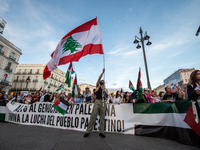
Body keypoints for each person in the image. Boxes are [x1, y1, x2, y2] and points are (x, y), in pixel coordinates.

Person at [84, 69, 108, 138]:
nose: (101, 81)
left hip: (103, 102)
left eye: (102, 81)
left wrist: (105, 92)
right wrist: (102, 73)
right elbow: (98, 79)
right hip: (97, 101)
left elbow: (106, 96)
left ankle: (101, 132)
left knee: (102, 117)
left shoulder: (105, 88)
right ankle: (88, 131)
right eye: (101, 81)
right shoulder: (97, 87)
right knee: (93, 116)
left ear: (104, 83)